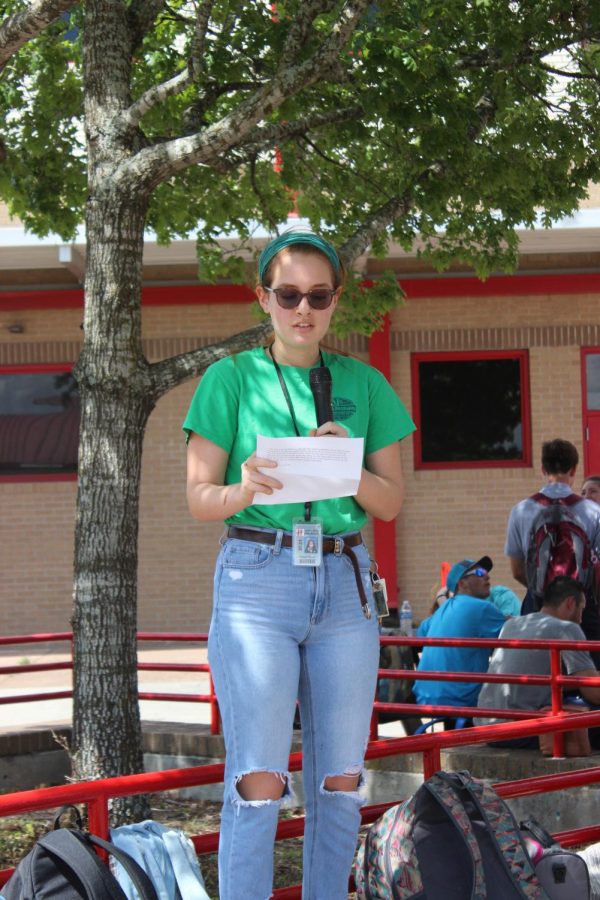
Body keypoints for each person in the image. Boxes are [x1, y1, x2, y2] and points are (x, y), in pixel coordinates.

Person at [183, 228, 415, 900]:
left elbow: (392, 501)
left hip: (344, 584)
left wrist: (346, 468)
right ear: (265, 298)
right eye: (288, 294)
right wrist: (244, 488)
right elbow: (200, 500)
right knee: (258, 780)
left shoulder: (363, 384)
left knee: (340, 777)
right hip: (259, 581)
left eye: (318, 295)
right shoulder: (228, 379)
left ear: (336, 300)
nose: (303, 308)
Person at [475, 576, 600, 755]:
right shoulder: (567, 629)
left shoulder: (512, 624)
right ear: (570, 603)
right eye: (581, 609)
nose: (581, 619)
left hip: (486, 727)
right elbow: (593, 692)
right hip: (521, 731)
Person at [505, 438, 600, 664]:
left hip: (537, 606)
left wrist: (546, 595)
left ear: (543, 469)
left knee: (537, 674)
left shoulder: (520, 510)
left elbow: (517, 570)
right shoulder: (593, 511)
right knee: (588, 678)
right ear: (574, 469)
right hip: (581, 608)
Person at [414, 556, 506, 727]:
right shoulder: (482, 608)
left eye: (486, 573)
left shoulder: (441, 611)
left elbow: (420, 632)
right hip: (461, 699)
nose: (487, 577)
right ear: (462, 583)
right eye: (479, 573)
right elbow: (514, 636)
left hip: (425, 697)